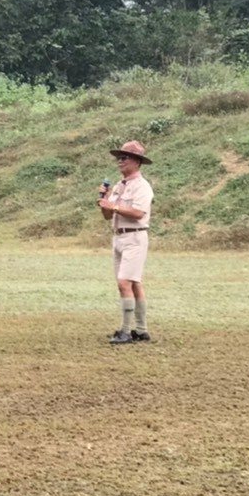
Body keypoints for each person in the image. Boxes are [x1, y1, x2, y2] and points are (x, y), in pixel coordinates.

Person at [100, 139, 155, 344]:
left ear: (137, 162)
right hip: (119, 236)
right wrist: (105, 201)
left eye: (124, 158)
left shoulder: (142, 186)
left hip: (134, 236)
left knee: (125, 283)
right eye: (119, 158)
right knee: (133, 283)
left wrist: (113, 207)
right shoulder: (118, 186)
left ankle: (125, 330)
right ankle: (141, 330)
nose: (120, 161)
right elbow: (108, 216)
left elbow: (139, 213)